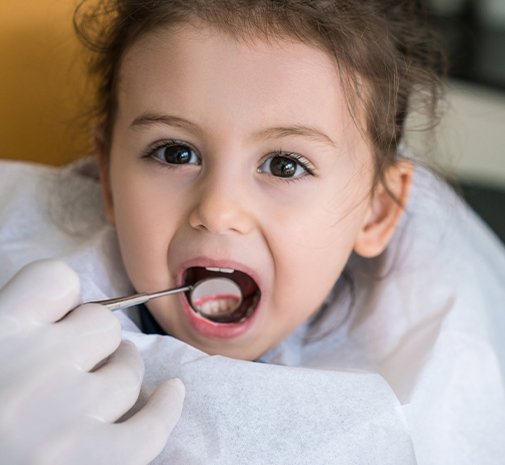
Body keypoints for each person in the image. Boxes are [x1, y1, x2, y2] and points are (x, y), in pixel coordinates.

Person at [1, 0, 504, 464]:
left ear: (375, 213)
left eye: (285, 165)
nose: (218, 211)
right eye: (175, 153)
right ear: (108, 179)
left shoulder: (441, 378)